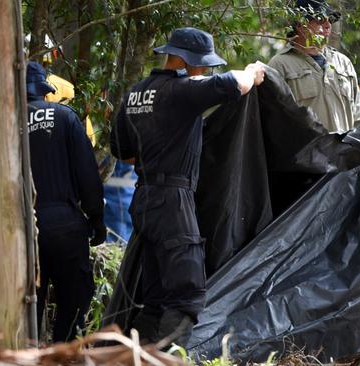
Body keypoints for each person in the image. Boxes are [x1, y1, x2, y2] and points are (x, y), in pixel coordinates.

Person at [110, 27, 265, 345]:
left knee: (154, 299)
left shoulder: (136, 93)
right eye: (204, 65)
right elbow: (234, 84)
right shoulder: (180, 90)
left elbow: (124, 154)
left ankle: (136, 358)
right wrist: (253, 70)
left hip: (143, 200)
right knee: (186, 295)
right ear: (186, 61)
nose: (207, 70)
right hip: (172, 203)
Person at [26, 61, 106, 342]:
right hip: (66, 225)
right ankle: (62, 353)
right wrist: (96, 218)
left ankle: (25, 355)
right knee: (73, 301)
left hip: (22, 231)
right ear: (44, 90)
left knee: (26, 308)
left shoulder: (2, 126)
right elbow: (87, 173)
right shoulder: (66, 117)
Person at [268, 0, 360, 133]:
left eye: (329, 20)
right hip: (304, 153)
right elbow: (272, 122)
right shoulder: (279, 65)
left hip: (345, 152)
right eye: (320, 19)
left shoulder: (343, 63)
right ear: (301, 25)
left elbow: (359, 117)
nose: (328, 25)